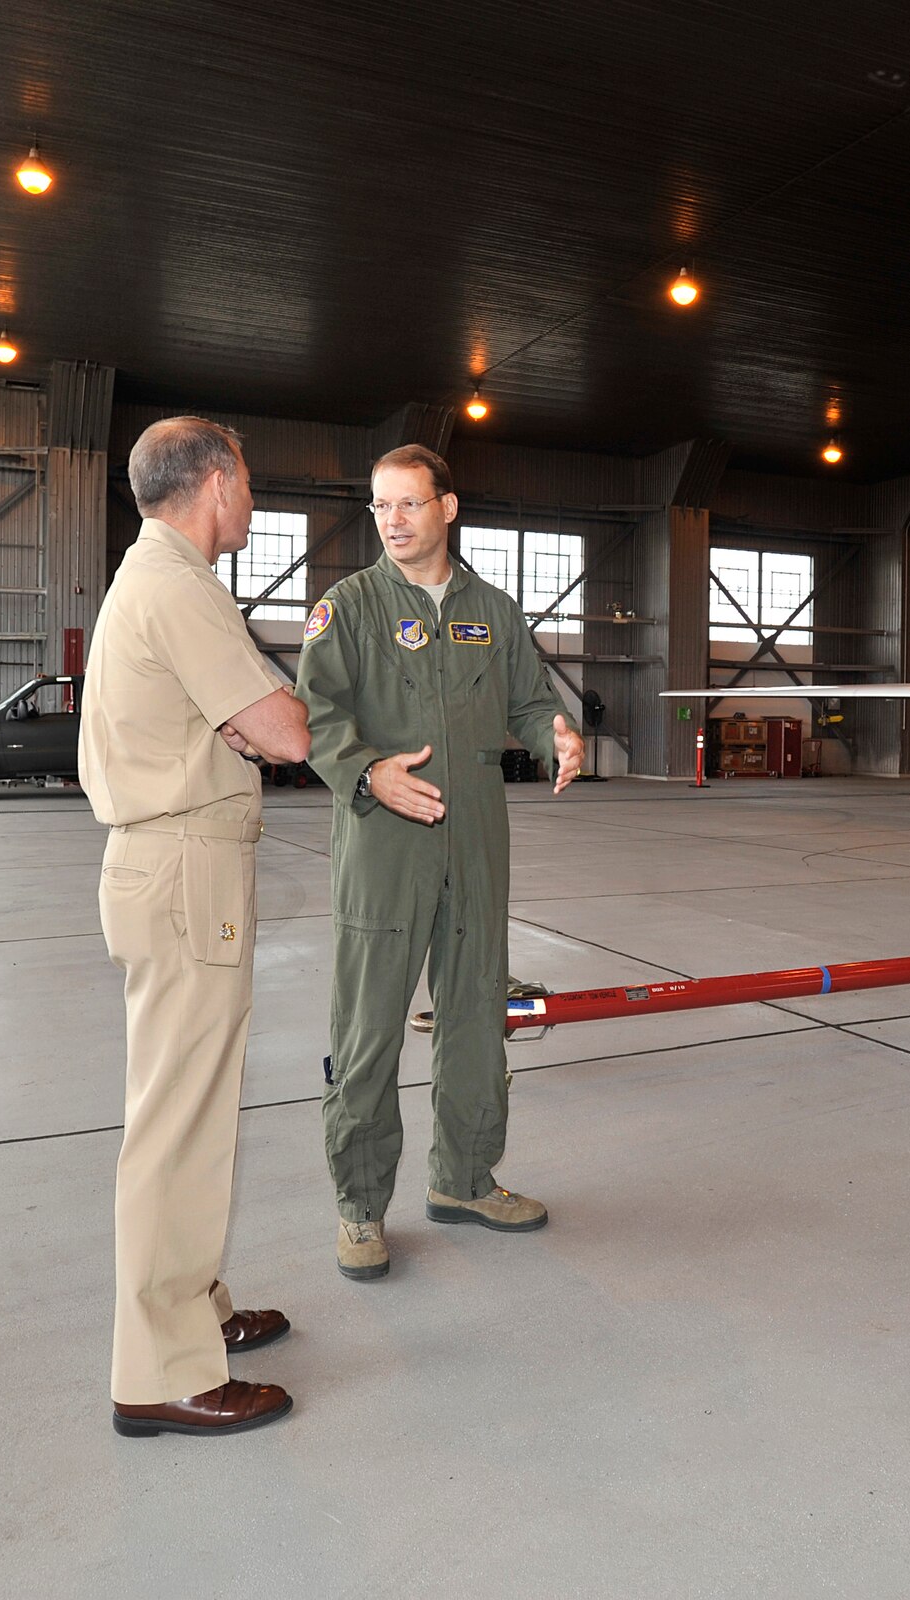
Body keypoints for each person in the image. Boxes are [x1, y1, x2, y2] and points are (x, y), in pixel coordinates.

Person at [296, 444, 583, 1280]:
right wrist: (366, 771)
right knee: (369, 1031)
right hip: (383, 845)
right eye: (380, 506)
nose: (391, 521)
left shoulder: (492, 610)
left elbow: (531, 702)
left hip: (477, 840)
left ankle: (463, 1179)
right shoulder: (346, 606)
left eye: (409, 504)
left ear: (447, 509)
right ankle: (359, 1208)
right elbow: (317, 713)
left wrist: (555, 734)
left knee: (471, 1020)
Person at [83, 417, 312, 1437]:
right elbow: (283, 729)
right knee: (177, 1122)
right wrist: (271, 710)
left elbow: (241, 722)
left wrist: (245, 718)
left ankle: (196, 1307)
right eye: (250, 481)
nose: (253, 501)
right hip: (183, 869)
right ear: (214, 481)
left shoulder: (157, 577)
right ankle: (162, 1370)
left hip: (171, 865)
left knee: (187, 1106)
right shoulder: (179, 585)